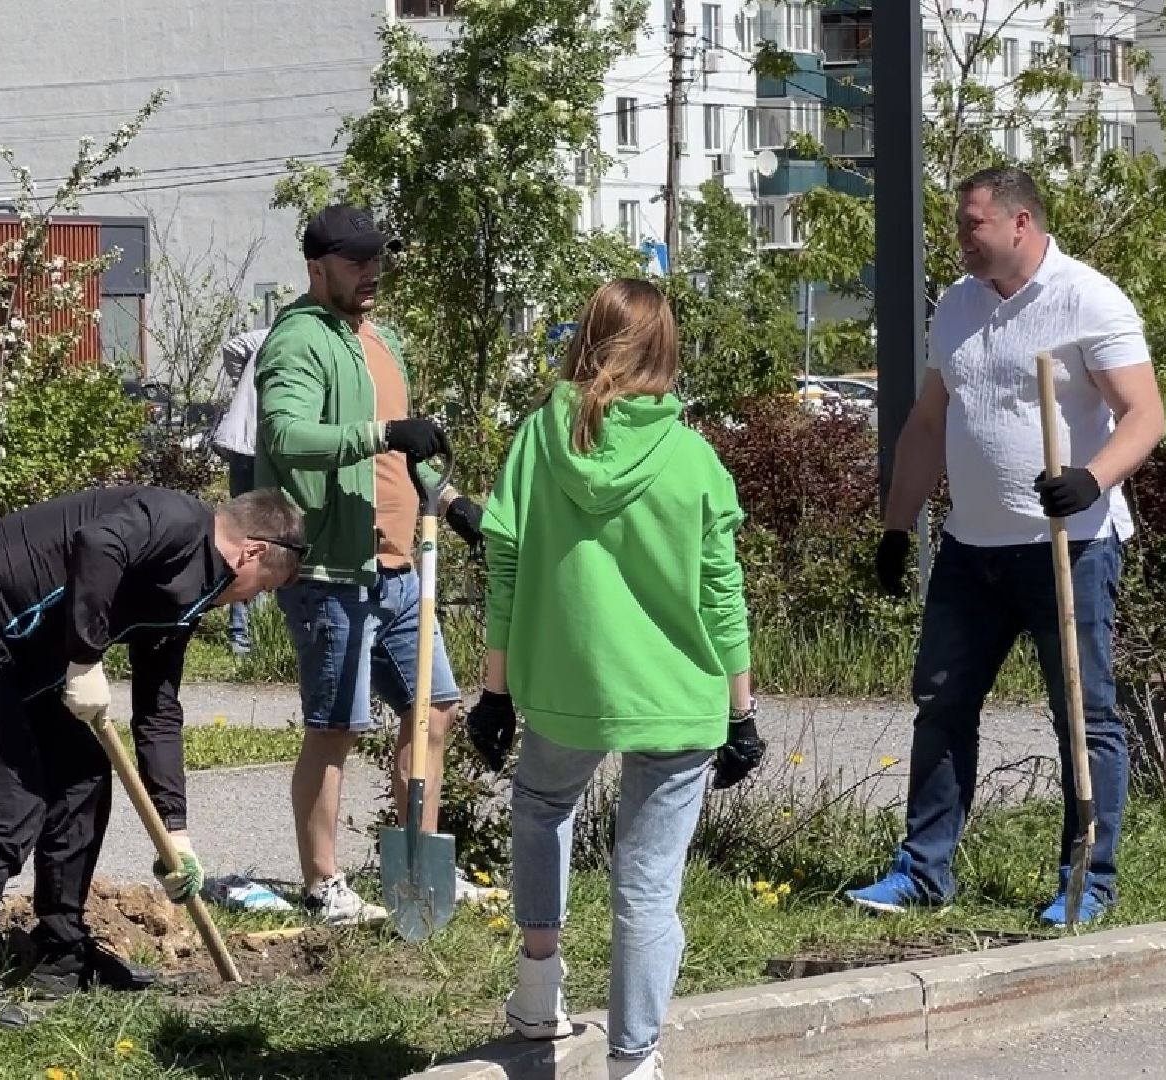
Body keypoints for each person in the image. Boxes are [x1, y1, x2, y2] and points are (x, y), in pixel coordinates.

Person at [849, 165, 1166, 926]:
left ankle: (1085, 881)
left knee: (1082, 718)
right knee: (942, 703)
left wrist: (1091, 478)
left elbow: (1145, 417)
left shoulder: (1087, 299)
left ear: (1019, 224)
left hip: (1069, 548)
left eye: (971, 224)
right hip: (969, 550)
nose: (959, 237)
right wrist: (896, 528)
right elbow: (929, 423)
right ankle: (923, 873)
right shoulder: (955, 308)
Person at [468, 278, 760, 1080]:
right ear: (666, 350)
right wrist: (740, 710)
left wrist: (494, 691)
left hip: (566, 689)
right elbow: (719, 588)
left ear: (587, 337)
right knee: (644, 883)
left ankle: (537, 987)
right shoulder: (692, 457)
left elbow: (505, 565)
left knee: (541, 805)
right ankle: (632, 1062)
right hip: (679, 693)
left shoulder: (538, 439)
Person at [0, 485, 306, 1028]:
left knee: (82, 777)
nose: (252, 599)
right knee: (10, 807)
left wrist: (174, 830)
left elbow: (158, 713)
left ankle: (61, 954)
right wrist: (86, 657)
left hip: (19, 658)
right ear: (252, 552)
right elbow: (98, 542)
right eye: (264, 586)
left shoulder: (190, 595)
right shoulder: (176, 520)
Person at [252, 203, 487, 925]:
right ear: (317, 266)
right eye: (356, 262)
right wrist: (382, 430)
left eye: (377, 259)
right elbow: (286, 435)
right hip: (330, 571)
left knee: (435, 709)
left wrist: (447, 503)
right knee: (335, 726)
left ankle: (416, 869)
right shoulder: (298, 341)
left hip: (398, 570)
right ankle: (323, 885)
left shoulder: (379, 341)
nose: (371, 273)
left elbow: (397, 461)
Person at [210, 326, 270, 655]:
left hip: (242, 446)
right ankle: (249, 636)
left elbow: (234, 347)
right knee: (269, 536)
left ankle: (242, 635)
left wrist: (243, 384)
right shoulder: (299, 335)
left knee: (243, 535)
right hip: (263, 448)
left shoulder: (268, 335)